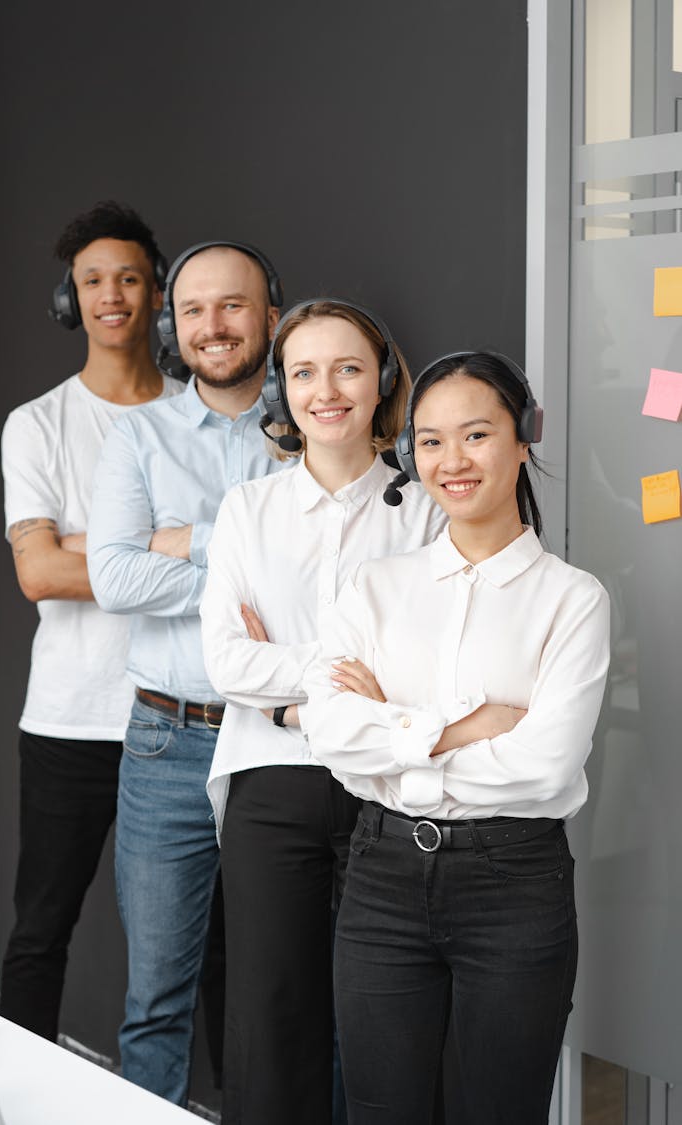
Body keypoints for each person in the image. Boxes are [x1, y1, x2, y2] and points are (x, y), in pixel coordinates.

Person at [304, 351, 611, 1125]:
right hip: (378, 880)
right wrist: (469, 727)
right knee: (381, 1112)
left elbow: (545, 763)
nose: (453, 461)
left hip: (513, 881)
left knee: (499, 1112)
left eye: (476, 434)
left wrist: (397, 734)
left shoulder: (573, 601)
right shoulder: (376, 587)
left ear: (522, 439)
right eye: (432, 441)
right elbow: (332, 731)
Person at [200, 299, 446, 1125]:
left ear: (383, 381)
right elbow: (228, 662)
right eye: (303, 370)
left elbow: (432, 672)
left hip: (388, 791)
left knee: (384, 1021)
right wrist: (348, 679)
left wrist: (294, 697)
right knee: (271, 1023)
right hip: (272, 790)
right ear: (281, 388)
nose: (326, 389)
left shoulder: (428, 510)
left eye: (347, 367)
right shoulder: (247, 510)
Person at [86, 240, 283, 1108]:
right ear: (173, 322)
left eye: (234, 305)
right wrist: (235, 558)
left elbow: (328, 588)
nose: (214, 325)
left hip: (284, 745)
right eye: (196, 308)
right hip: (168, 741)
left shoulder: (310, 430)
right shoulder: (139, 434)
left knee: (285, 991)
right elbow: (115, 578)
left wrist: (182, 537)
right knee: (155, 998)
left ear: (270, 316)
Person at [0, 201, 180, 1041]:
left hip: (181, 719)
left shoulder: (198, 419)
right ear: (71, 299)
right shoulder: (36, 425)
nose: (113, 296)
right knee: (39, 934)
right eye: (93, 281)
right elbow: (38, 572)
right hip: (70, 717)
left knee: (189, 946)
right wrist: (165, 546)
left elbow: (237, 562)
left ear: (156, 295)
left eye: (131, 278)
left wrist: (93, 548)